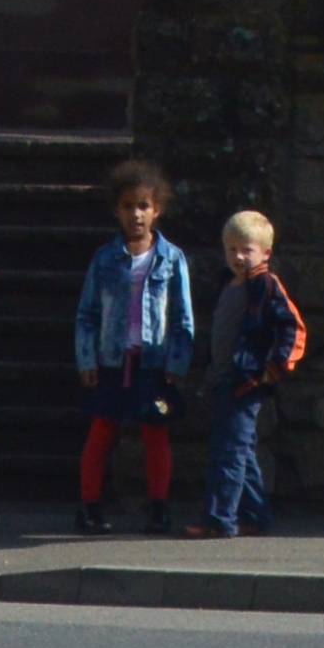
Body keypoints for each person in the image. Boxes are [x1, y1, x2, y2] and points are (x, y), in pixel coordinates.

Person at [70, 158, 195, 532]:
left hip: (153, 365)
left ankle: (158, 507)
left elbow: (182, 318)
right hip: (111, 362)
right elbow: (87, 313)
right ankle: (89, 506)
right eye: (128, 206)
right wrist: (86, 358)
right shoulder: (105, 259)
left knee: (155, 434)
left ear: (157, 210)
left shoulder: (171, 260)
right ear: (116, 210)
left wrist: (177, 363)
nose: (136, 215)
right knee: (101, 432)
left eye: (143, 206)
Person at [187, 208, 308, 540]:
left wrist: (273, 369)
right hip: (225, 379)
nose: (238, 256)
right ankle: (256, 516)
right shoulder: (230, 284)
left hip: (246, 382)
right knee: (241, 451)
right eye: (231, 249)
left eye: (246, 249)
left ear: (265, 253)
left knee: (228, 452)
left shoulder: (266, 286)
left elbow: (292, 329)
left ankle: (219, 519)